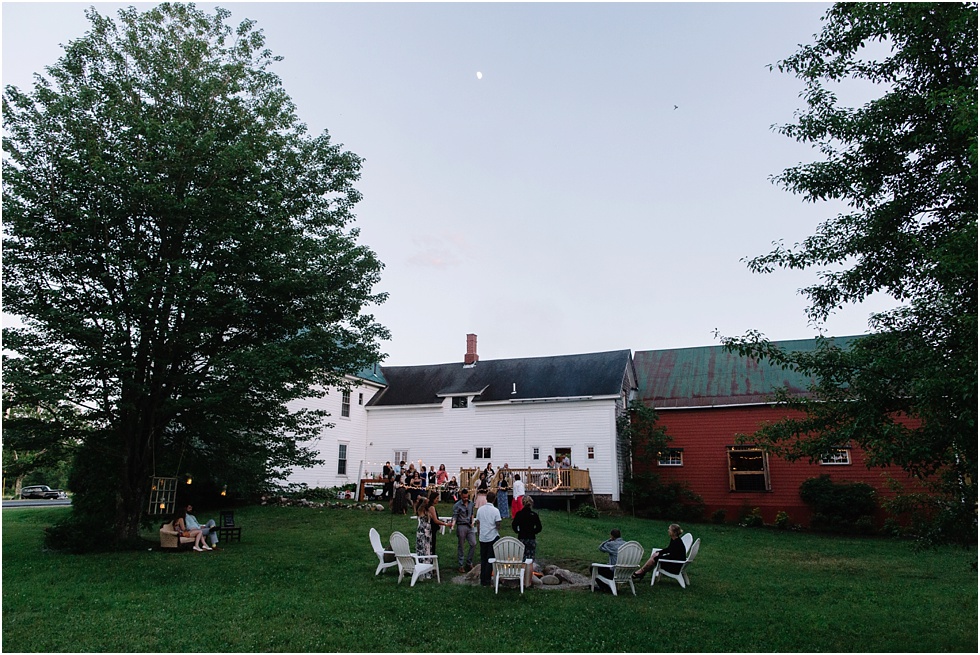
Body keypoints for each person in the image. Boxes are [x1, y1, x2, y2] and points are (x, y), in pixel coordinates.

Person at [415, 490, 451, 578]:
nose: (438, 500)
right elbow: (435, 520)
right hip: (427, 531)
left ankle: (424, 567)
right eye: (437, 498)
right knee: (428, 548)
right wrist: (446, 524)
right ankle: (428, 569)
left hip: (422, 530)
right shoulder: (431, 508)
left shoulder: (423, 510)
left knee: (424, 548)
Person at [511, 495, 542, 586]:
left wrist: (518, 531)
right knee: (530, 560)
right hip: (531, 538)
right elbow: (539, 527)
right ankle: (528, 581)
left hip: (521, 539)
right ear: (531, 504)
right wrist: (533, 531)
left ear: (523, 503)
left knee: (522, 559)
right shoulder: (534, 515)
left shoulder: (519, 514)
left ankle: (522, 579)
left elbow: (514, 525)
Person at [475, 491, 502, 586]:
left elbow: (478, 522)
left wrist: (479, 532)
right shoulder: (495, 511)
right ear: (494, 499)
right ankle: (487, 579)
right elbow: (498, 524)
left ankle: (483, 579)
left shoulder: (480, 510)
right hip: (492, 536)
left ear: (486, 499)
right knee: (490, 558)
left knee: (483, 559)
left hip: (483, 536)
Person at [451, 488, 477, 573]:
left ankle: (469, 562)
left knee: (473, 543)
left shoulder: (470, 504)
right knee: (461, 545)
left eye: (466, 497)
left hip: (469, 526)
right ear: (461, 496)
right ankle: (461, 564)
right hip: (461, 525)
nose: (465, 499)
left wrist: (472, 522)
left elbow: (472, 513)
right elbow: (455, 516)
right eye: (464, 497)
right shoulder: (457, 505)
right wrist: (453, 525)